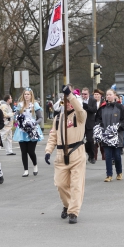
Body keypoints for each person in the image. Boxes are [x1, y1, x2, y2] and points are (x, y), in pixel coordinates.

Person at [45, 85, 87, 224]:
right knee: (60, 184)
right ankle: (67, 204)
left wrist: (70, 94)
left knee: (76, 185)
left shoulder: (80, 116)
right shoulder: (58, 119)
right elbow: (53, 137)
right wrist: (48, 151)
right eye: (66, 102)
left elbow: (79, 108)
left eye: (70, 102)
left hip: (77, 153)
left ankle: (73, 212)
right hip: (61, 155)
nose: (68, 105)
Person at [96, 89, 124, 182]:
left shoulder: (120, 107)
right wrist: (100, 127)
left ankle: (119, 173)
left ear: (115, 96)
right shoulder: (102, 108)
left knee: (117, 156)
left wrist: (119, 128)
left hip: (117, 135)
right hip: (106, 135)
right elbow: (97, 119)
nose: (108, 96)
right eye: (107, 95)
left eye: (110, 94)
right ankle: (109, 175)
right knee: (107, 156)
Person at [13, 88, 44, 177]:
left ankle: (35, 165)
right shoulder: (20, 105)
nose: (26, 96)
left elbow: (40, 117)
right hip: (22, 130)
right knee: (23, 151)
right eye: (25, 94)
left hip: (32, 130)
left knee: (31, 151)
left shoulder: (35, 105)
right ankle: (25, 170)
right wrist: (18, 121)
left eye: (28, 94)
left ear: (31, 95)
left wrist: (34, 123)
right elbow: (16, 116)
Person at [81, 87, 97, 163]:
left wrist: (86, 106)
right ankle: (81, 157)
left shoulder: (93, 100)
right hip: (81, 124)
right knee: (80, 141)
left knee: (90, 140)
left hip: (89, 123)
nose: (84, 95)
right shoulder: (79, 100)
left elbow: (94, 110)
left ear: (89, 94)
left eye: (85, 94)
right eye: (83, 94)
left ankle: (92, 156)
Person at [93, 89, 106, 161]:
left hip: (101, 123)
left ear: (100, 96)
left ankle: (104, 155)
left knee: (102, 140)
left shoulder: (103, 103)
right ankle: (94, 156)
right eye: (95, 94)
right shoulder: (91, 102)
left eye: (97, 94)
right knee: (94, 141)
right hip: (93, 123)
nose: (96, 96)